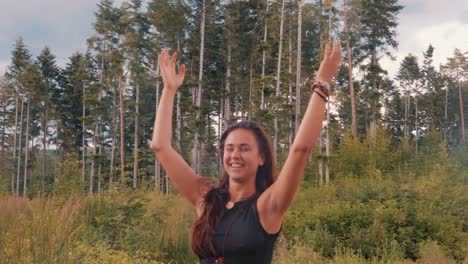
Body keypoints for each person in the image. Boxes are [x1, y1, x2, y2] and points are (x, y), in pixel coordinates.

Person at [151, 40, 342, 264]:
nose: (235, 155)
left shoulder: (268, 205)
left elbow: (300, 150)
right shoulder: (206, 199)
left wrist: (322, 85)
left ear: (261, 157)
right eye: (229, 149)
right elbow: (160, 146)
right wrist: (169, 90)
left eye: (244, 148)